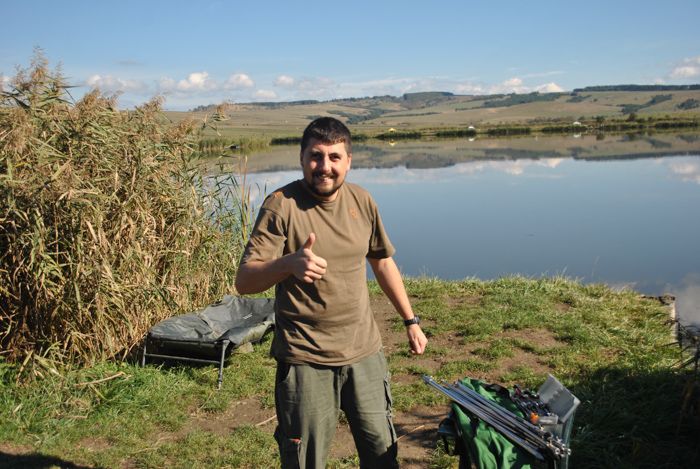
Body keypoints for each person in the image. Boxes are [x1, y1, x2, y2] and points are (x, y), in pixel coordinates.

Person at [235, 117, 428, 468]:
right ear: (302, 157)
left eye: (334, 157)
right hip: (305, 358)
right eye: (316, 156)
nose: (325, 166)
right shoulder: (281, 205)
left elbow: (382, 263)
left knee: (382, 454)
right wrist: (288, 263)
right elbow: (244, 281)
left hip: (364, 353)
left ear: (348, 161)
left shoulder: (362, 200)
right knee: (305, 460)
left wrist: (410, 321)